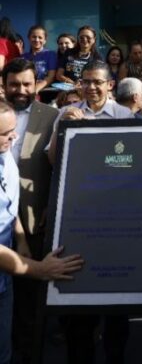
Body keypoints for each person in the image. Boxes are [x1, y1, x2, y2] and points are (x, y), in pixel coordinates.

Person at [48, 60, 134, 364]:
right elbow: (53, 160)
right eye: (86, 81)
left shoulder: (125, 115)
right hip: (78, 214)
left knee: (116, 309)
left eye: (98, 82)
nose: (91, 87)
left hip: (117, 216)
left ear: (110, 85)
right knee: (79, 306)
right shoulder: (65, 112)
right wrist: (64, 128)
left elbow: (131, 161)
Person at [0, 100, 83, 364]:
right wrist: (40, 270)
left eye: (13, 131)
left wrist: (21, 239)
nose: (13, 138)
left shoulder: (5, 155)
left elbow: (8, 206)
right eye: (5, 134)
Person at [2, 58, 59, 363]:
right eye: (14, 84)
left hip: (34, 219)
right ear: (4, 85)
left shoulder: (52, 115)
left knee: (28, 298)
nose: (21, 90)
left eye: (27, 83)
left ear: (37, 84)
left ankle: (28, 350)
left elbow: (60, 167)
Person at [22, 25, 57, 92]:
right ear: (29, 38)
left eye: (40, 37)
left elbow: (51, 76)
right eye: (34, 37)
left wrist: (35, 89)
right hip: (26, 91)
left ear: (45, 40)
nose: (37, 40)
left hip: (45, 92)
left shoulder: (50, 54)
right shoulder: (23, 57)